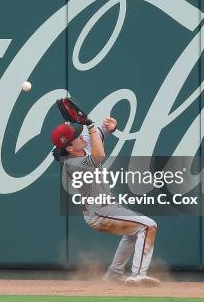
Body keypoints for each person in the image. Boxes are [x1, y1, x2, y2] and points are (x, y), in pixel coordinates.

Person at [51, 118, 160, 286]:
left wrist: (109, 127)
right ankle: (138, 275)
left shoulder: (78, 146)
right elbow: (99, 155)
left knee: (134, 233)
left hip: (108, 207)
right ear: (70, 148)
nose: (82, 137)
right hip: (99, 214)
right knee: (148, 226)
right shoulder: (73, 164)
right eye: (78, 137)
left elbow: (99, 133)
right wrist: (91, 126)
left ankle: (114, 274)